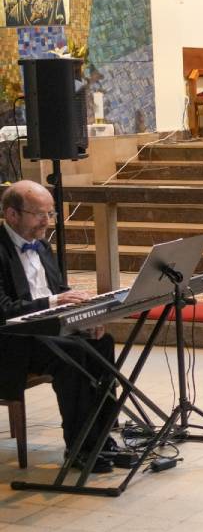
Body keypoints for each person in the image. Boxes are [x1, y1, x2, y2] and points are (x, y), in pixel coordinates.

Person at [0, 181, 118, 473]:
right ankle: (78, 447)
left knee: (101, 342)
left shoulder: (41, 245)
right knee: (72, 355)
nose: (47, 222)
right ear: (12, 215)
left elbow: (58, 289)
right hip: (11, 341)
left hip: (45, 332)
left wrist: (87, 316)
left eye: (50, 214)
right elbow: (3, 310)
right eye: (39, 214)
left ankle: (100, 437)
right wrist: (54, 302)